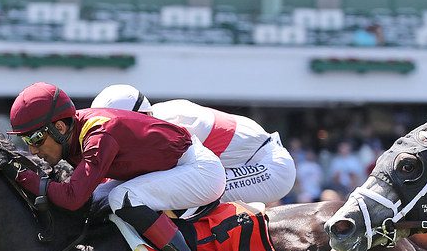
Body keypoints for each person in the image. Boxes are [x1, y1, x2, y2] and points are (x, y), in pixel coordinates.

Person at [5, 81, 225, 251]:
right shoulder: (74, 133)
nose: (32, 149)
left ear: (60, 127)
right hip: (171, 168)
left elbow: (72, 198)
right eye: (26, 140)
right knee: (98, 201)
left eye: (36, 138)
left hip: (199, 170)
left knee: (122, 197)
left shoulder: (99, 136)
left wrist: (21, 175)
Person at [92, 84, 297, 206]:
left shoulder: (171, 124)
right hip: (242, 161)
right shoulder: (154, 118)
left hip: (269, 168)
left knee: (166, 195)